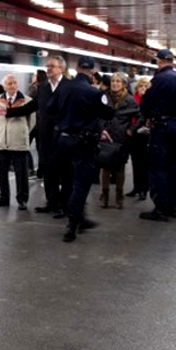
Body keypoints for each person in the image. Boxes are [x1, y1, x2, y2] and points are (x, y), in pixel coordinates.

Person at [48, 56, 114, 242]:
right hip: (82, 143)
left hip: (63, 140)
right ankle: (72, 224)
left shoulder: (63, 87)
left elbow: (50, 108)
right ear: (92, 72)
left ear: (76, 68)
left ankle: (78, 216)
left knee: (67, 181)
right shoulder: (93, 92)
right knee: (81, 184)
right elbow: (109, 113)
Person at [139, 49, 176, 222]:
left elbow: (146, 103)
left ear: (159, 61)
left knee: (157, 166)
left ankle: (160, 207)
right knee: (174, 167)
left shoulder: (159, 79)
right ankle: (173, 205)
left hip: (162, 127)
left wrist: (148, 116)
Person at [32, 56, 73, 217]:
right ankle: (51, 202)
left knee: (65, 173)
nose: (48, 68)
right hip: (46, 137)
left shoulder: (69, 87)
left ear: (61, 69)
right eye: (47, 66)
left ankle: (64, 204)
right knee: (49, 172)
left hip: (64, 137)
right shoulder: (42, 87)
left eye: (52, 66)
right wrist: (10, 111)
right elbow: (34, 105)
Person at [0, 74, 36, 209]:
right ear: (4, 86)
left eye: (15, 83)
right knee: (1, 172)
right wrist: (1, 132)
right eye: (9, 83)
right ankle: (3, 198)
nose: (13, 86)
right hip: (1, 141)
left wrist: (21, 132)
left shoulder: (27, 100)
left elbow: (31, 122)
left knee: (21, 173)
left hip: (19, 142)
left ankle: (22, 200)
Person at [98, 73, 138, 209]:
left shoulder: (130, 100)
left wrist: (131, 129)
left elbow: (140, 116)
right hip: (106, 136)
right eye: (113, 81)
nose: (115, 84)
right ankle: (104, 196)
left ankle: (119, 197)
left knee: (120, 168)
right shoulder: (103, 97)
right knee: (105, 167)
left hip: (122, 138)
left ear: (124, 84)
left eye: (118, 81)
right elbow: (96, 114)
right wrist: (101, 129)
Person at [125, 77, 151, 200]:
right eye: (141, 86)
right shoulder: (132, 100)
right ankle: (136, 187)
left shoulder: (149, 101)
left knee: (144, 163)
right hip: (134, 134)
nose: (143, 89)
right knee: (135, 162)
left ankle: (144, 189)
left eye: (146, 87)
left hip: (145, 135)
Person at [27, 70, 47, 177]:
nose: (32, 76)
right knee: (41, 149)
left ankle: (30, 168)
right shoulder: (46, 88)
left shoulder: (34, 88)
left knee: (25, 145)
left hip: (34, 122)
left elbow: (29, 104)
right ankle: (41, 171)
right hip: (41, 123)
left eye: (34, 75)